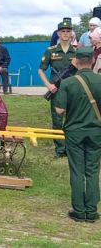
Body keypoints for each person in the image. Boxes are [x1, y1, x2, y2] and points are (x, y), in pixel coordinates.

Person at [54, 47, 101, 223]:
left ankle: (79, 211)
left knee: (77, 171)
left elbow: (59, 110)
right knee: (93, 170)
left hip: (74, 133)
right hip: (96, 132)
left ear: (76, 61)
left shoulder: (68, 83)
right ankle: (91, 211)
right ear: (93, 61)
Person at [39, 20, 77, 158]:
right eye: (63, 31)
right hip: (56, 90)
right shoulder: (51, 51)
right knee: (57, 119)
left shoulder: (76, 51)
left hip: (73, 90)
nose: (65, 34)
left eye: (68, 31)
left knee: (72, 119)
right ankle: (60, 149)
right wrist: (48, 85)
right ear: (58, 33)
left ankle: (71, 147)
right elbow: (41, 70)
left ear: (71, 33)